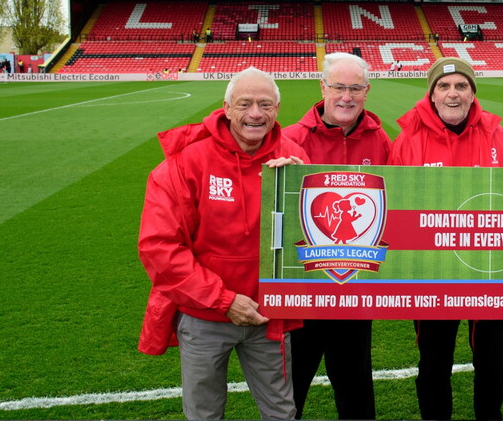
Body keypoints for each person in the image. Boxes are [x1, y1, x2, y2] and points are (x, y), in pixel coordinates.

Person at [137, 67, 310, 420]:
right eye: (244, 104)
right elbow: (159, 247)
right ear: (226, 108)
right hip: (205, 314)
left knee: (281, 411)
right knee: (204, 412)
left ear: (278, 108)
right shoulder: (187, 161)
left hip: (268, 313)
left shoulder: (294, 157)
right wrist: (224, 300)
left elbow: (317, 237)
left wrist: (301, 190)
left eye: (265, 104)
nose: (256, 114)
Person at [389, 57, 503, 420]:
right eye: (443, 87)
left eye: (461, 86)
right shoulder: (407, 143)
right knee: (433, 364)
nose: (452, 94)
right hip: (433, 275)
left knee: (492, 364)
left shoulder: (498, 137)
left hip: (489, 273)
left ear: (473, 92)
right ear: (431, 95)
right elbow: (395, 212)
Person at [282, 52, 390, 419]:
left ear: (367, 91)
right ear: (323, 87)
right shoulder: (288, 139)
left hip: (355, 288)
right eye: (339, 87)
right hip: (302, 290)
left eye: (355, 88)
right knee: (290, 389)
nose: (347, 96)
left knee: (355, 385)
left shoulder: (380, 141)